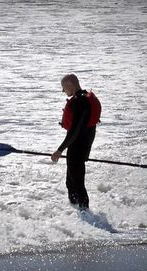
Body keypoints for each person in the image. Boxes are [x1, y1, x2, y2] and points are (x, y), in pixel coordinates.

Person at [51, 74, 100, 210]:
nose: (63, 91)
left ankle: (86, 217)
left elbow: (75, 131)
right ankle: (78, 214)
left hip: (77, 148)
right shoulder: (84, 99)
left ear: (70, 85)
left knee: (77, 185)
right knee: (71, 183)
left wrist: (59, 150)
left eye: (63, 87)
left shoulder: (79, 103)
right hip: (82, 146)